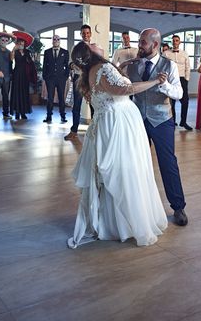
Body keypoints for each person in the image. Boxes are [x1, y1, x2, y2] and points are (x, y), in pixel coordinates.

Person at [66, 42, 168, 248]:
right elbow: (125, 89)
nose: (96, 43)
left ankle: (110, 222)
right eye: (92, 44)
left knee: (114, 171)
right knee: (125, 169)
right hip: (119, 123)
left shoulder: (90, 73)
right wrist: (155, 80)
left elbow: (106, 89)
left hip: (106, 122)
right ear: (91, 53)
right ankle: (129, 223)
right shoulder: (103, 68)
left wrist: (120, 69)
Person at [121, 28, 188, 227]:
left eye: (142, 42)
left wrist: (164, 85)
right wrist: (121, 66)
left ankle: (178, 206)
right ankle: (134, 207)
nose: (139, 45)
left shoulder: (170, 65)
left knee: (168, 163)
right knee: (134, 163)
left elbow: (179, 94)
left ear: (155, 44)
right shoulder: (132, 64)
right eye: (139, 41)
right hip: (138, 120)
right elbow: (120, 85)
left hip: (162, 120)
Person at [65, 24, 100, 141]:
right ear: (80, 34)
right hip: (78, 78)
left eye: (87, 33)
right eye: (83, 33)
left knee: (93, 104)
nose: (86, 35)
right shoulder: (76, 47)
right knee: (77, 106)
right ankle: (74, 131)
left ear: (91, 34)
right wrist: (72, 65)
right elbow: (70, 63)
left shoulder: (95, 48)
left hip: (90, 79)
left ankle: (95, 130)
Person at [164, 34, 192, 130]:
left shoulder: (184, 53)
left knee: (185, 101)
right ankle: (173, 122)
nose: (175, 42)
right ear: (172, 42)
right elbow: (163, 67)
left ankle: (183, 122)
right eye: (174, 40)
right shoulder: (166, 53)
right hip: (171, 79)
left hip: (182, 79)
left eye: (177, 40)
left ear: (179, 42)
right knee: (171, 102)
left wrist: (186, 79)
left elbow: (188, 67)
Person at [42, 35, 69, 123]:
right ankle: (49, 116)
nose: (56, 40)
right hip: (50, 79)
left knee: (61, 97)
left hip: (61, 79)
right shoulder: (47, 52)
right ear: (52, 41)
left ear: (60, 41)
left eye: (58, 39)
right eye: (54, 39)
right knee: (50, 98)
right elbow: (44, 65)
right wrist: (45, 77)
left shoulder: (65, 52)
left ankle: (62, 116)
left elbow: (67, 66)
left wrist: (66, 76)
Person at [10, 36, 35, 120]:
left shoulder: (27, 52)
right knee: (16, 93)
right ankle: (17, 112)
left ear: (25, 44)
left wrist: (32, 59)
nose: (21, 44)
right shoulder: (15, 51)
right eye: (19, 43)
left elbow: (31, 62)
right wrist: (13, 49)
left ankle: (23, 112)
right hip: (17, 73)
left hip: (25, 74)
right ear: (17, 44)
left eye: (22, 43)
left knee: (24, 93)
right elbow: (11, 59)